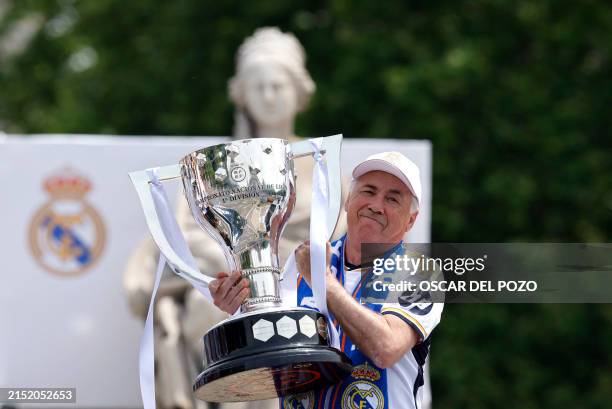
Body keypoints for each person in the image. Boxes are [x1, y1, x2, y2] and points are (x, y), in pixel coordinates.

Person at [123, 27, 344, 409]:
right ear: (242, 93)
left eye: (278, 85)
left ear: (299, 91)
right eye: (259, 87)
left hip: (305, 287)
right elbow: (187, 238)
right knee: (210, 308)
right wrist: (224, 272)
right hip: (229, 288)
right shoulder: (213, 166)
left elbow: (338, 241)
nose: (269, 96)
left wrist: (295, 270)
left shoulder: (320, 166)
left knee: (288, 316)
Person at [209, 151, 443, 409]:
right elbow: (270, 339)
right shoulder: (304, 262)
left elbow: (384, 348)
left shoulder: (421, 273)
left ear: (411, 220)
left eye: (392, 199)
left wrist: (323, 281)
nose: (376, 205)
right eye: (368, 191)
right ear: (348, 200)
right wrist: (238, 306)